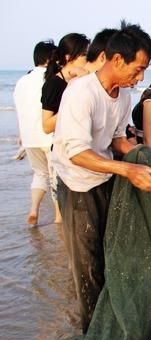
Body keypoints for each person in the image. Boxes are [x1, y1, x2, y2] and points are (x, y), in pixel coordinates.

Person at [51, 22, 151, 334]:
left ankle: (107, 324)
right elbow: (76, 152)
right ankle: (92, 336)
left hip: (104, 179)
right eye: (137, 70)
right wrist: (128, 169)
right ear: (117, 61)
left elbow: (116, 139)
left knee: (110, 254)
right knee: (88, 267)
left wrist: (138, 154)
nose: (139, 79)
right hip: (77, 185)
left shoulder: (122, 96)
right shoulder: (81, 93)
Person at [14, 40, 61, 225]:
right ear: (51, 58)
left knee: (40, 174)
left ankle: (34, 210)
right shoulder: (53, 79)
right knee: (56, 176)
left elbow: (20, 111)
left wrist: (21, 139)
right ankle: (59, 216)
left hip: (29, 138)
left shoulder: (21, 81)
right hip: (48, 136)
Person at [41, 33, 90, 135]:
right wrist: (70, 106)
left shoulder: (83, 79)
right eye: (84, 55)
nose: (88, 59)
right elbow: (46, 127)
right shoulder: (53, 84)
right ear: (68, 57)